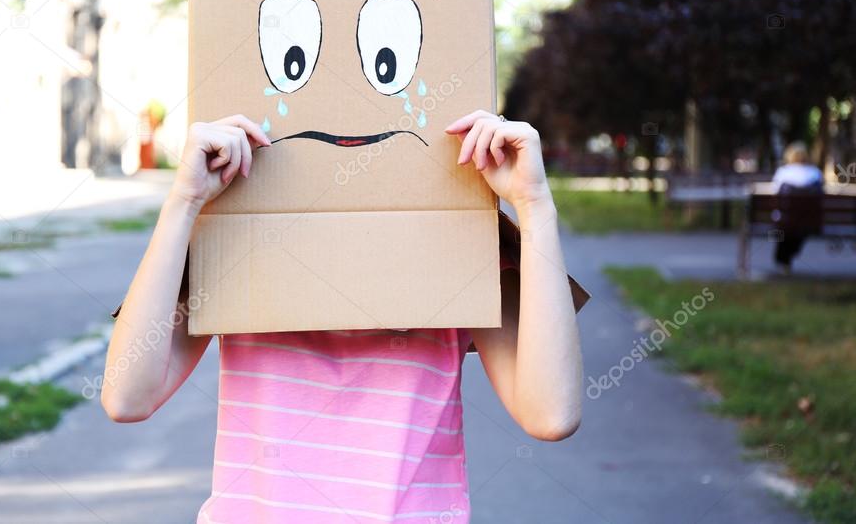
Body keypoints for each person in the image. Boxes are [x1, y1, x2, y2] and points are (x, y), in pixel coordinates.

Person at [101, 111, 583, 523]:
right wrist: (183, 203)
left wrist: (534, 206)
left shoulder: (461, 243)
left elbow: (551, 414)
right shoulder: (238, 238)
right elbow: (127, 397)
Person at [771, 141, 824, 273]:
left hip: (786, 220)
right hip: (809, 220)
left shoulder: (783, 172)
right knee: (798, 227)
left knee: (788, 226)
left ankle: (783, 259)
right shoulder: (815, 173)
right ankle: (787, 257)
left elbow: (775, 192)